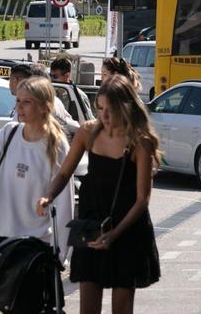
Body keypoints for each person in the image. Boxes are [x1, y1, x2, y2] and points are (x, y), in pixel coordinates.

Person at [37, 76, 161, 314]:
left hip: (126, 230)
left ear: (125, 107)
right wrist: (49, 195)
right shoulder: (88, 132)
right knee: (88, 306)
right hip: (92, 224)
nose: (103, 116)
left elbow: (142, 200)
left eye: (110, 110)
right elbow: (64, 173)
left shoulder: (139, 142)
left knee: (121, 307)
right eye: (100, 108)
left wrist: (115, 234)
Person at [0, 76, 74, 260]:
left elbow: (63, 202)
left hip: (37, 241)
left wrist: (59, 253)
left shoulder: (57, 145)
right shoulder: (9, 133)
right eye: (18, 101)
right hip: (1, 234)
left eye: (27, 102)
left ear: (44, 106)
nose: (19, 107)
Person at [9, 63, 80, 137]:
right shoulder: (56, 100)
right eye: (18, 101)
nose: (19, 107)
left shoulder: (38, 103)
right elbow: (72, 125)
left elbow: (18, 131)